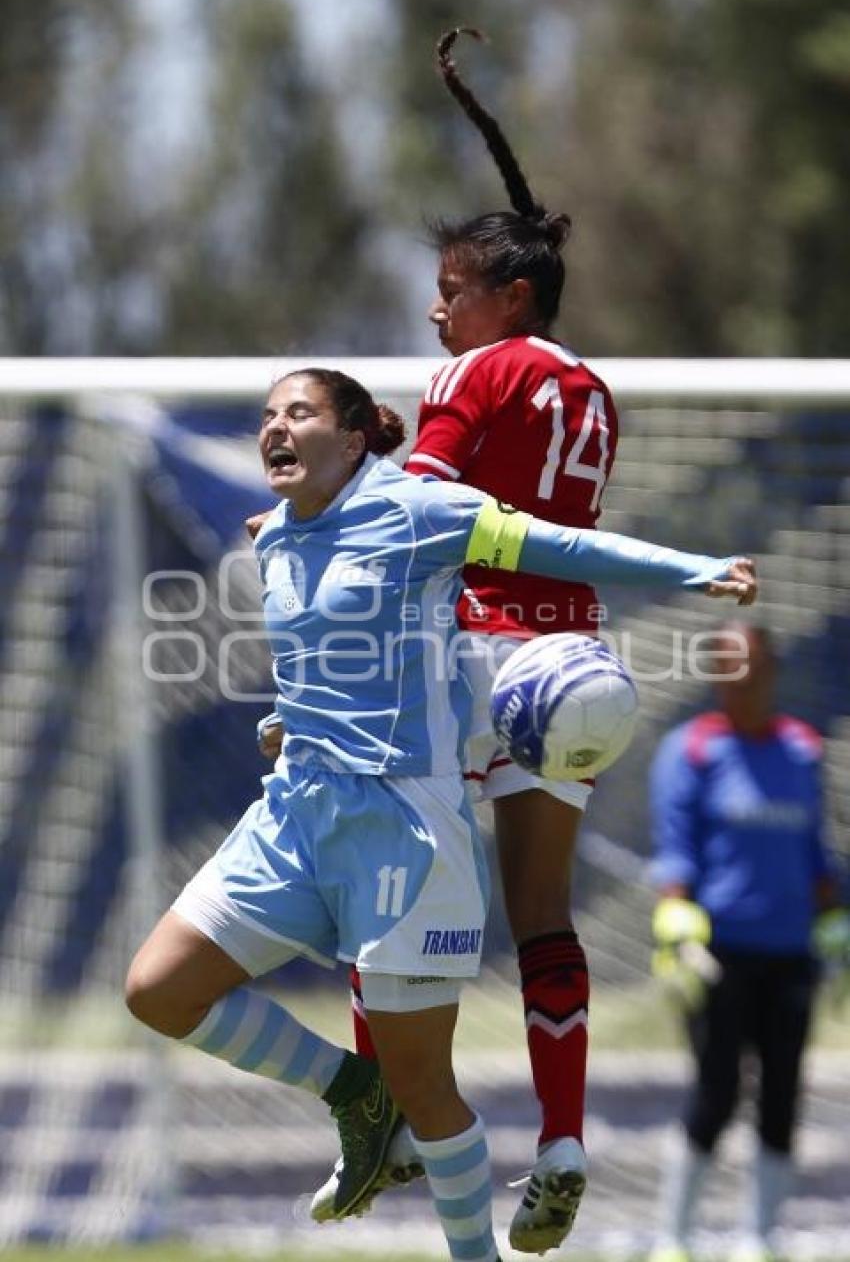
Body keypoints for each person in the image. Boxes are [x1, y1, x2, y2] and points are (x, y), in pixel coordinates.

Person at [126, 366, 756, 1262]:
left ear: (352, 441)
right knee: (158, 988)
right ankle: (352, 1090)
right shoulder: (272, 540)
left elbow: (561, 547)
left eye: (298, 413)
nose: (274, 428)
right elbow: (324, 663)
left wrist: (696, 568)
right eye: (267, 415)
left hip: (404, 831)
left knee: (427, 1087)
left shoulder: (420, 510)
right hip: (294, 818)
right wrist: (284, 720)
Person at [307, 26, 626, 1254]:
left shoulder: (477, 374)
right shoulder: (587, 385)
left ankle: (386, 1118)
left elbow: (423, 514)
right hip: (583, 664)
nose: (436, 309)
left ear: (510, 297)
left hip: (482, 664)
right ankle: (561, 1141)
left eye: (450, 290)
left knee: (367, 892)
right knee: (545, 917)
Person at [647, 624, 850, 1262]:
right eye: (731, 669)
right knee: (717, 1088)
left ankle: (760, 1241)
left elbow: (814, 849)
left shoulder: (802, 750)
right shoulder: (692, 751)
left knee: (785, 1090)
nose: (745, 681)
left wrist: (834, 916)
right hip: (721, 954)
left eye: (755, 668)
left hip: (790, 952)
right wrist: (675, 926)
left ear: (771, 671)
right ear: (715, 675)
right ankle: (674, 1239)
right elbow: (675, 854)